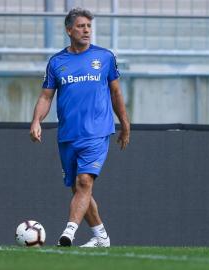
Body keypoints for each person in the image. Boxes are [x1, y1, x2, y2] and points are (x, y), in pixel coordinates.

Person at [29, 7, 130, 248]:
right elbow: (46, 96)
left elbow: (116, 93)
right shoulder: (57, 62)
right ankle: (101, 236)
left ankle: (69, 233)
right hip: (68, 135)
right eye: (81, 26)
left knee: (85, 181)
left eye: (88, 27)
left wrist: (125, 124)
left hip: (97, 131)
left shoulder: (105, 57)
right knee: (78, 188)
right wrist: (36, 121)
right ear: (69, 30)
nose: (86, 31)